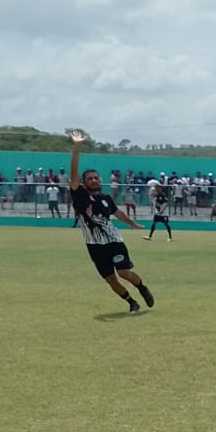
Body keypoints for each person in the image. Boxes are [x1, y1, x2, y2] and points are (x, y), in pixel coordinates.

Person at [68, 130, 155, 313]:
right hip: (94, 246)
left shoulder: (106, 198)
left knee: (123, 273)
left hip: (114, 242)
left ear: (100, 180)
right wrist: (77, 147)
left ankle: (141, 287)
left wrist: (131, 223)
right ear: (83, 183)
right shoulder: (80, 197)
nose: (93, 180)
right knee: (110, 279)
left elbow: (117, 213)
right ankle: (131, 302)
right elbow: (74, 172)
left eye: (96, 177)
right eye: (89, 178)